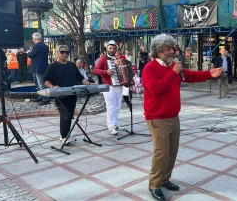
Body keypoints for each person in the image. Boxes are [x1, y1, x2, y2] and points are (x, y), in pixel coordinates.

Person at [142, 34, 222, 201]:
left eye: (172, 48)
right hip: (157, 117)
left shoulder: (173, 67)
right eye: (168, 49)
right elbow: (155, 89)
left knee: (172, 151)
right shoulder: (150, 68)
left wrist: (209, 73)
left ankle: (165, 179)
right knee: (161, 153)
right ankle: (154, 184)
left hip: (173, 116)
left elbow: (190, 76)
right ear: (158, 51)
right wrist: (172, 73)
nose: (172, 51)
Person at [44, 45, 94, 144]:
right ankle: (63, 136)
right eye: (62, 52)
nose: (65, 54)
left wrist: (89, 84)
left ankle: (67, 135)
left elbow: (80, 78)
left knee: (70, 115)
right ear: (57, 53)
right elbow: (46, 80)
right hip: (60, 96)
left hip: (72, 95)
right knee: (65, 116)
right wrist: (52, 87)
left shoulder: (71, 65)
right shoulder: (52, 66)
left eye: (66, 52)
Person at [93, 40, 127, 135]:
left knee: (117, 106)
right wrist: (105, 72)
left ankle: (115, 124)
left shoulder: (117, 59)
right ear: (107, 48)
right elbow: (95, 70)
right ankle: (111, 126)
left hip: (118, 86)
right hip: (108, 86)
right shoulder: (103, 59)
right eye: (110, 48)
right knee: (111, 107)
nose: (111, 49)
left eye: (113, 48)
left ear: (116, 49)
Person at [28, 33, 50, 105]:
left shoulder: (37, 46)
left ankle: (45, 98)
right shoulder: (45, 46)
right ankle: (41, 96)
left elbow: (31, 55)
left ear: (34, 39)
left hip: (38, 68)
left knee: (41, 83)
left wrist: (28, 52)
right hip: (44, 66)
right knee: (41, 83)